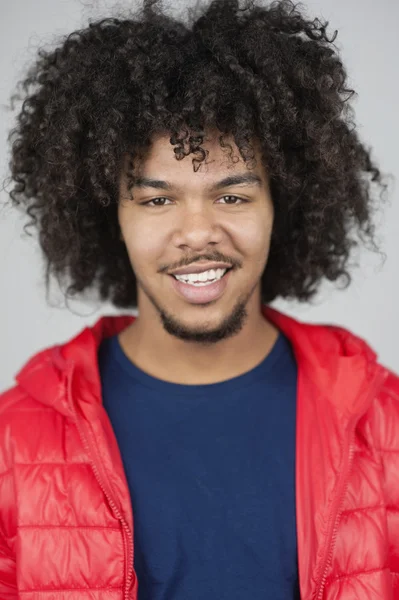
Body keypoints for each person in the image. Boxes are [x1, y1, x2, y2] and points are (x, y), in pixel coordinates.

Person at [0, 0, 397, 598]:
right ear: (109, 216)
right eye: (157, 199)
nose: (197, 231)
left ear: (281, 206)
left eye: (232, 196)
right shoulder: (13, 439)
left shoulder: (384, 424)